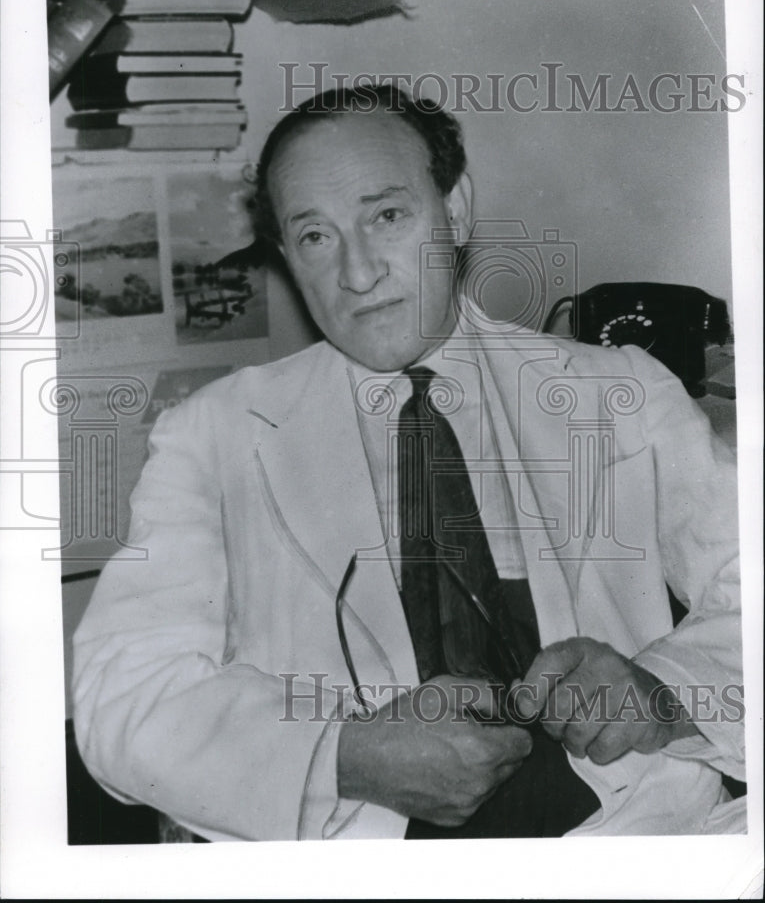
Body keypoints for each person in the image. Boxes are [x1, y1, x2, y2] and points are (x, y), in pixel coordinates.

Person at [72, 85, 744, 842]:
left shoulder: (619, 390)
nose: (356, 274)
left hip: (633, 834)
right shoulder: (210, 435)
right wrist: (341, 757)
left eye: (386, 216)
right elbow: (120, 697)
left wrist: (662, 688)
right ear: (288, 255)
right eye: (316, 237)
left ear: (453, 212)